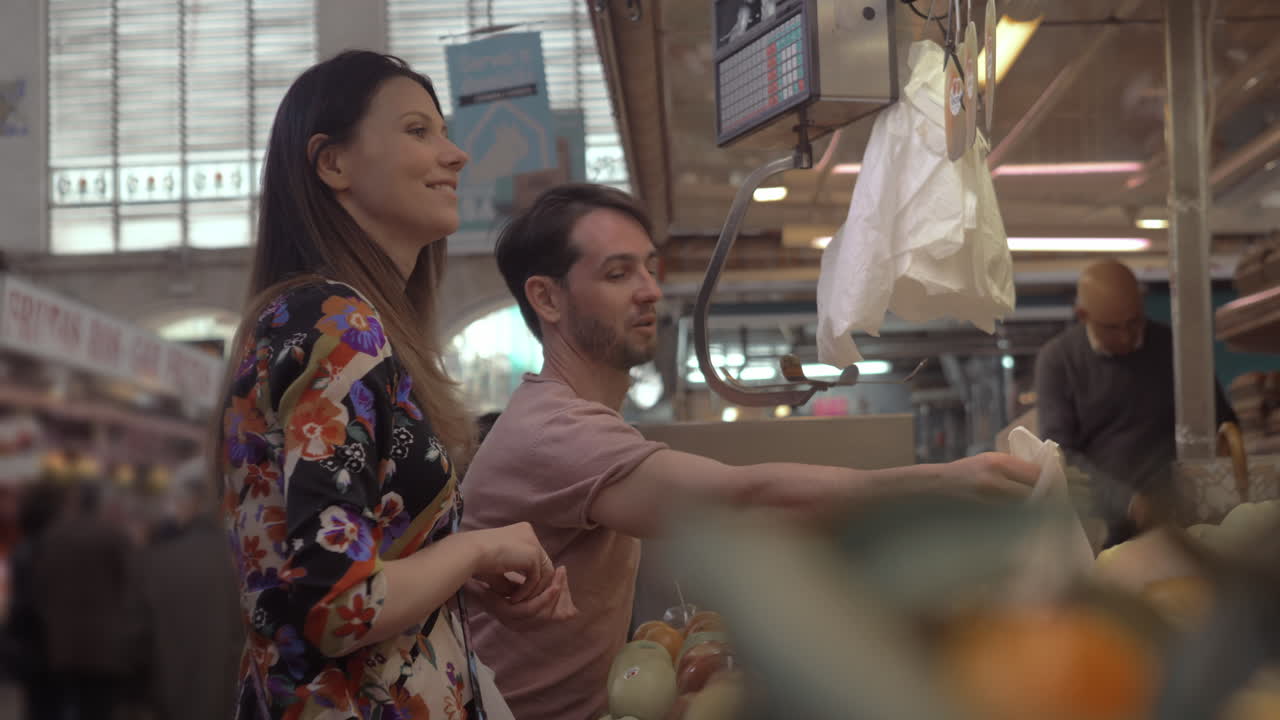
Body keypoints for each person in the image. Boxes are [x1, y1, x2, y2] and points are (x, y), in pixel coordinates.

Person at [461, 182, 1041, 719]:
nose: (651, 290)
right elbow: (740, 502)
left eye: (649, 267)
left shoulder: (575, 420)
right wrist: (945, 485)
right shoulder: (554, 432)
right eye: (618, 274)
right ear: (548, 298)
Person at [215, 50, 574, 720]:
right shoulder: (332, 320)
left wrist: (456, 571)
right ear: (333, 163)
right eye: (419, 131)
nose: (456, 155)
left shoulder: (338, 321)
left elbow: (351, 579)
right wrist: (478, 548)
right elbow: (337, 604)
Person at [1035, 259, 1236, 547]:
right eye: (1113, 328)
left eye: (1134, 322)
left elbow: (1220, 420)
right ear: (1083, 316)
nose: (1127, 336)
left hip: (1185, 513)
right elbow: (1058, 453)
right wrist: (1128, 503)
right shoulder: (1058, 361)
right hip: (1109, 526)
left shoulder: (1172, 345)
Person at [133, 459, 243, 720]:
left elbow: (136, 639)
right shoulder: (245, 564)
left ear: (191, 503)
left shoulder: (157, 560)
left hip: (167, 700)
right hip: (228, 704)